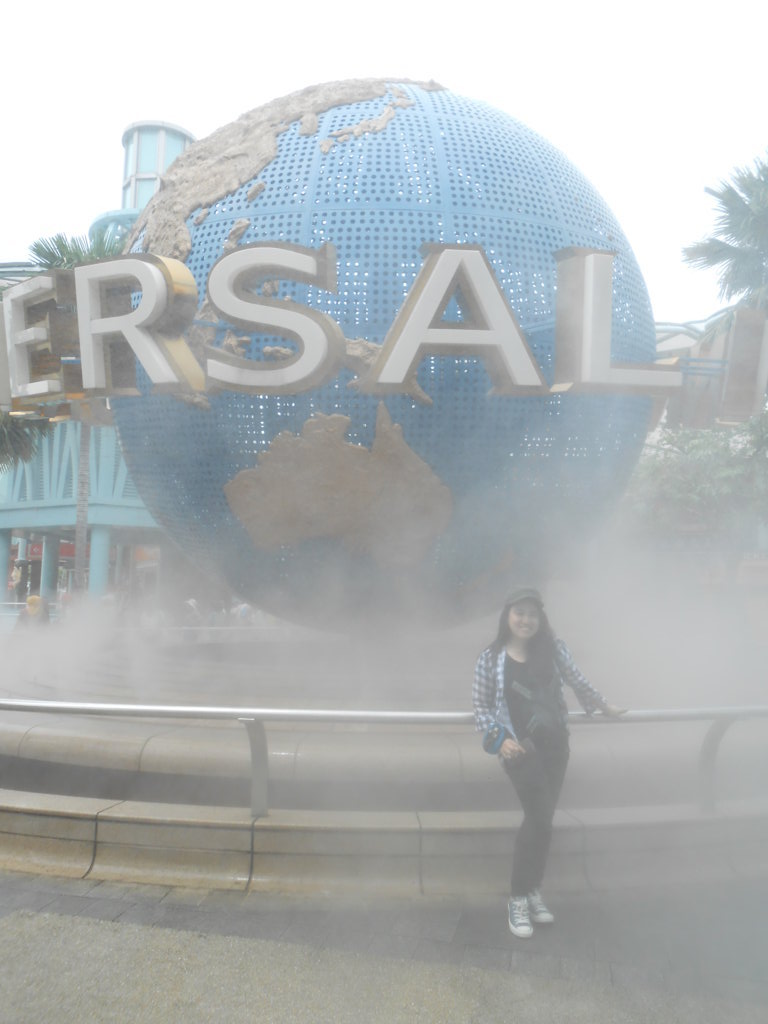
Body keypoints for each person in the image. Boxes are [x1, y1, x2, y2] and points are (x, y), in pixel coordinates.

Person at [472, 586, 624, 938]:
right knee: (539, 818)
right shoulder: (490, 658)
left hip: (556, 747)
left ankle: (532, 889)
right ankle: (517, 897)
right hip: (519, 752)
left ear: (540, 618)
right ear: (507, 616)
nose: (526, 620)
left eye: (532, 614)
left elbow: (577, 679)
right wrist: (501, 739)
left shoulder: (553, 650)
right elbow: (480, 708)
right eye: (519, 613)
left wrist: (604, 705)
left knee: (543, 821)